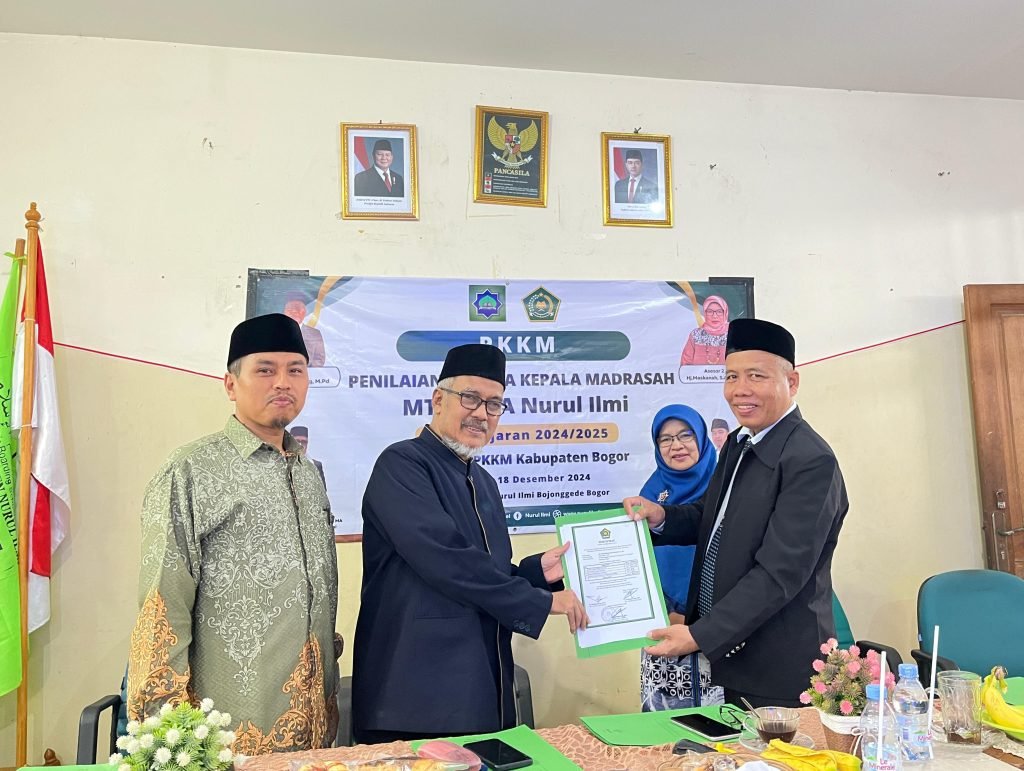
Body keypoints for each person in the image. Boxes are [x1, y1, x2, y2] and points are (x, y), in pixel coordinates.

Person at [126, 313, 340, 754]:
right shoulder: (191, 471)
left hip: (315, 733)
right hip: (226, 734)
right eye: (265, 370)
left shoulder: (309, 474)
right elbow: (162, 607)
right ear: (230, 384)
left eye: (295, 370)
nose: (282, 382)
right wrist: (173, 739)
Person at [353, 343, 587, 743]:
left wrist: (536, 574)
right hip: (414, 698)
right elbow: (446, 561)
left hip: (480, 692)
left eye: (494, 404)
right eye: (470, 398)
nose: (481, 413)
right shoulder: (402, 464)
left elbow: (485, 570)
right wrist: (540, 602)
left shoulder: (484, 482)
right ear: (437, 400)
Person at [625, 318, 849, 708]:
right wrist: (662, 516)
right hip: (730, 656)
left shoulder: (810, 461)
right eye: (731, 376)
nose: (739, 390)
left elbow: (779, 573)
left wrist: (700, 634)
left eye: (756, 376)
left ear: (792, 382)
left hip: (776, 665)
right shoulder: (739, 442)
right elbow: (712, 519)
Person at [639, 405, 717, 712]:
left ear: (701, 438)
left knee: (718, 728)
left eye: (686, 435)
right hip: (663, 628)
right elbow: (638, 563)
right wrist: (664, 612)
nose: (677, 446)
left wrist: (697, 624)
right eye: (666, 439)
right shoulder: (651, 493)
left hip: (716, 631)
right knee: (665, 726)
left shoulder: (726, 487)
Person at [681, 295, 730, 366]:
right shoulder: (696, 335)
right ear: (705, 313)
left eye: (719, 311)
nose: (714, 316)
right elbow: (685, 364)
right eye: (710, 311)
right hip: (697, 374)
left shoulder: (732, 334)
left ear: (725, 313)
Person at [282, 293, 327, 367]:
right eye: (290, 309)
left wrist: (307, 371)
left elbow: (319, 359)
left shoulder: (315, 334)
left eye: (298, 309)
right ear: (285, 313)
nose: (295, 312)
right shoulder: (275, 332)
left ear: (304, 312)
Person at [291, 425, 327, 489]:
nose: (300, 445)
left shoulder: (316, 465)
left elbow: (323, 491)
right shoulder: (279, 464)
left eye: (304, 442)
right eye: (297, 441)